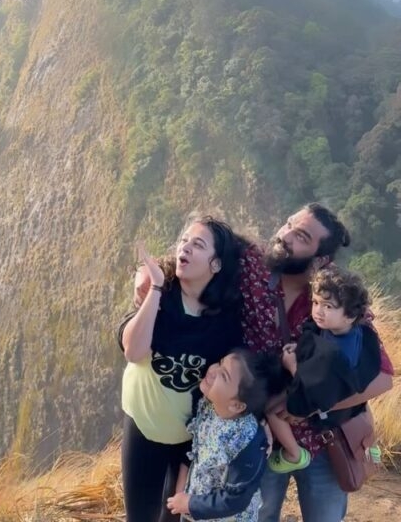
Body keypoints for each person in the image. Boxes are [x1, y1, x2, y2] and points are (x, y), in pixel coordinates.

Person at [135, 203, 394, 522]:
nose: (284, 236)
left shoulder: (335, 298)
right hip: (259, 436)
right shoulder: (252, 267)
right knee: (258, 515)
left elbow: (383, 378)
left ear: (321, 259)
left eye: (300, 236)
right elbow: (200, 249)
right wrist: (149, 273)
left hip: (323, 440)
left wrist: (309, 404)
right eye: (288, 224)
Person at [119, 215, 246, 522]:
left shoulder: (224, 322)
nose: (185, 248)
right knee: (139, 515)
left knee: (174, 515)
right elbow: (134, 352)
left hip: (189, 437)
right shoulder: (160, 296)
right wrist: (156, 290)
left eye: (197, 244)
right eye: (184, 241)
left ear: (216, 264)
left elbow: (230, 378)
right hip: (143, 427)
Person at [266, 264, 382, 472]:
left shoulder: (332, 356)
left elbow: (314, 393)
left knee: (272, 408)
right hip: (351, 409)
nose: (318, 311)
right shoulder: (359, 333)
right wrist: (301, 348)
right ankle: (370, 440)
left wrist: (292, 366)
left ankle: (294, 454)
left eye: (328, 306)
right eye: (316, 302)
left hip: (326, 415)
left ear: (349, 315)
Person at [166, 349, 287, 522]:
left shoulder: (246, 441)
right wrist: (183, 486)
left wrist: (190, 504)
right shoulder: (208, 406)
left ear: (237, 406)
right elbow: (197, 448)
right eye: (221, 362)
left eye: (224, 376)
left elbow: (235, 500)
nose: (214, 369)